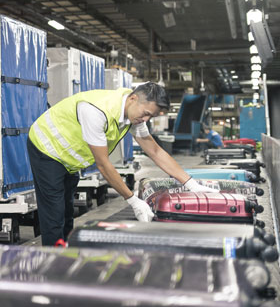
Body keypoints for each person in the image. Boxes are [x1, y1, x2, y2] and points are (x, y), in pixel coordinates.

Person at [27, 82, 218, 246]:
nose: (145, 120)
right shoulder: (96, 111)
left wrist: (191, 183)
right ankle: (52, 265)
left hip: (69, 160)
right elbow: (103, 165)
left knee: (67, 210)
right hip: (46, 149)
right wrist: (133, 200)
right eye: (145, 114)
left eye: (150, 117)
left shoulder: (133, 113)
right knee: (54, 213)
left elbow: (155, 151)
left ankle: (65, 253)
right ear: (133, 98)